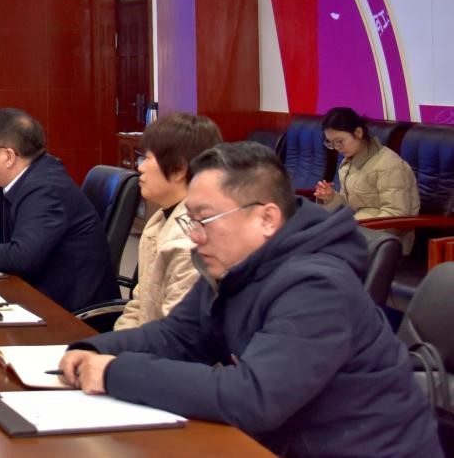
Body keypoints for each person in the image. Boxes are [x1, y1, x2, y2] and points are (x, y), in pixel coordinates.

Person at [59, 142, 440, 458]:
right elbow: (178, 335)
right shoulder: (233, 263)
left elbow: (253, 397)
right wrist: (93, 348)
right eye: (190, 220)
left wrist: (114, 373)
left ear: (267, 219)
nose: (194, 236)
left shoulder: (318, 285)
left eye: (205, 220)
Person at [0, 108, 117, 312]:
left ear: (8, 156)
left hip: (68, 313)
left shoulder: (45, 188)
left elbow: (21, 257)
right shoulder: (19, 179)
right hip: (37, 295)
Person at [114, 112, 222, 330]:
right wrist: (112, 343)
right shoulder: (159, 219)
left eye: (148, 158)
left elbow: (174, 335)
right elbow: (139, 305)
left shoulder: (191, 241)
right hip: (144, 342)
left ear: (179, 169)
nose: (140, 167)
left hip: (161, 347)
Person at [313, 105, 420, 253]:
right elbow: (351, 206)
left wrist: (352, 231)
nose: (337, 147)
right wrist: (331, 198)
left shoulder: (389, 164)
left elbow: (397, 215)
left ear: (358, 132)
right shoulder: (348, 163)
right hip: (359, 231)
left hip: (384, 244)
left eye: (340, 141)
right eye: (331, 143)